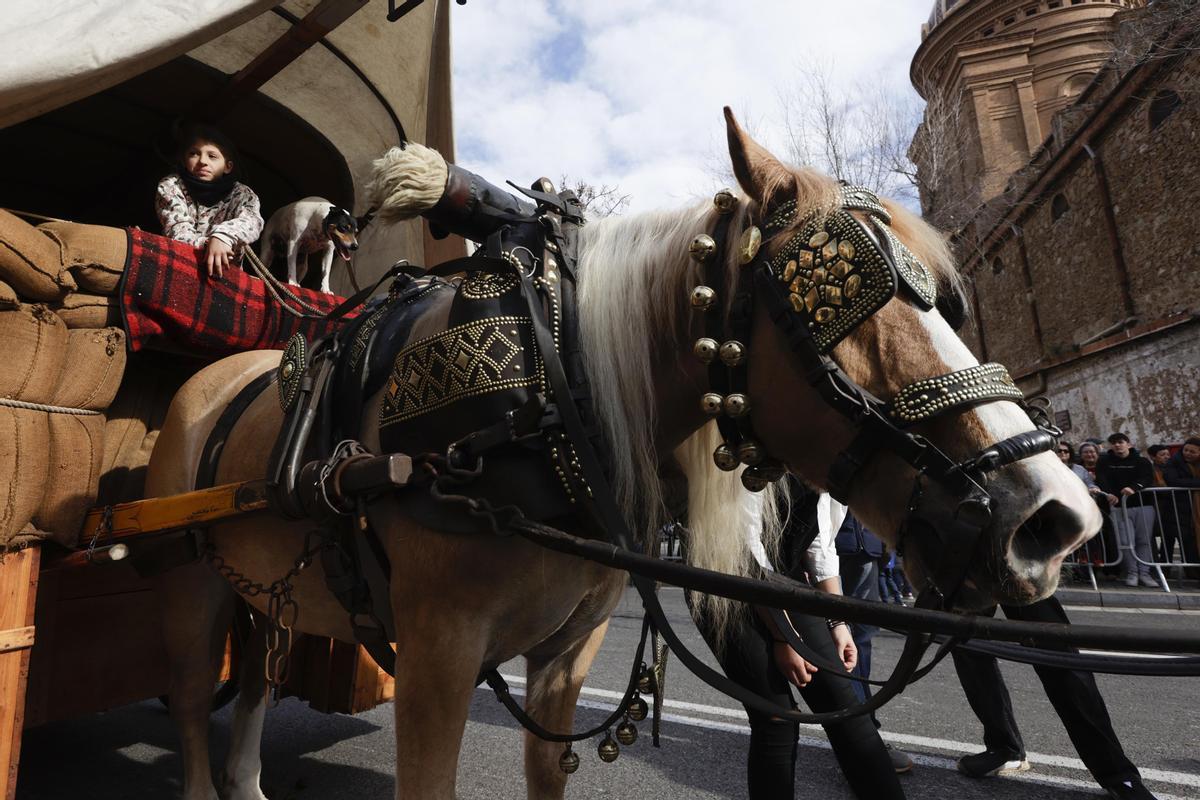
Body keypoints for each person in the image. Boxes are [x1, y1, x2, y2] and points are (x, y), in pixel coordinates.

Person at [689, 480, 908, 799]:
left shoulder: (829, 460)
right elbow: (747, 550)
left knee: (845, 710)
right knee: (776, 719)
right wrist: (785, 639)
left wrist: (838, 620)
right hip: (722, 582)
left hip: (784, 575)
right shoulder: (756, 453)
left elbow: (819, 543)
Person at [950, 595, 1160, 800]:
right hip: (964, 567)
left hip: (1019, 567)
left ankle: (1117, 773)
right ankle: (1004, 747)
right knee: (967, 645)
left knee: (1056, 652)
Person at [155, 123, 264, 278]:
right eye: (194, 154)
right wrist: (209, 244)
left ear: (228, 167)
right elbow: (177, 230)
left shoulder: (242, 194)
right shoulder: (171, 185)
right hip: (181, 267)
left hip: (226, 274)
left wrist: (223, 236)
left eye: (212, 156)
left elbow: (253, 221)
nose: (202, 161)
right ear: (184, 160)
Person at [1095, 433, 1158, 588]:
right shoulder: (1104, 462)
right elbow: (1102, 479)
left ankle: (1144, 573)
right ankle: (1132, 572)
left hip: (1143, 505)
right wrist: (1110, 494)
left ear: (1128, 444)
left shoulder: (1142, 461)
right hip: (1118, 507)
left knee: (1144, 540)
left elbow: (1147, 478)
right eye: (1114, 443)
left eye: (1121, 442)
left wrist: (1134, 488)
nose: (1117, 445)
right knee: (1125, 541)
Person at [1163, 437, 1200, 568]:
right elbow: (1172, 481)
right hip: (1179, 508)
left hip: (1194, 507)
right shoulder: (1174, 462)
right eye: (1186, 450)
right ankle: (1191, 570)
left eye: (1193, 452)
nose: (1188, 453)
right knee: (1186, 540)